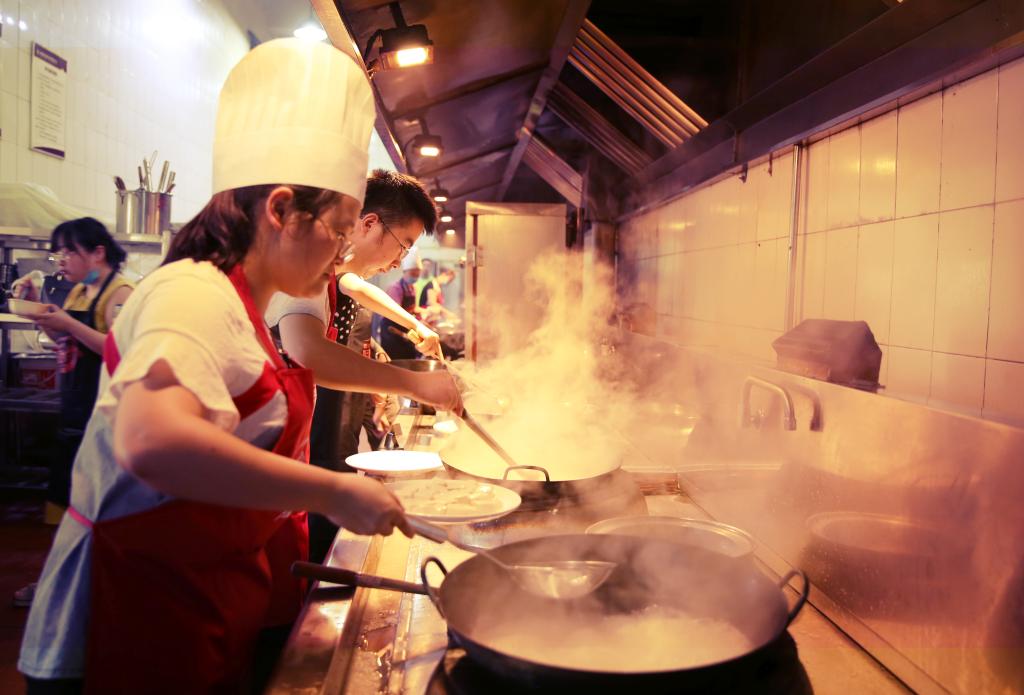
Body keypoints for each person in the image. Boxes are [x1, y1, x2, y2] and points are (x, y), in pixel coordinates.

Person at [18, 38, 461, 694]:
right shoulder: (191, 294)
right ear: (281, 210)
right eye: (340, 228)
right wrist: (332, 490)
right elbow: (151, 441)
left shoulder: (244, 302)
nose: (343, 252)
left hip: (198, 596)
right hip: (125, 611)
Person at [266, 168, 441, 564]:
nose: (397, 263)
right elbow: (307, 352)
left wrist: (408, 332)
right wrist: (412, 384)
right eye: (402, 246)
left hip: (279, 467)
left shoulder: (330, 273)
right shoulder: (304, 268)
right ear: (367, 224)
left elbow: (354, 288)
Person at [11, 218, 134, 608]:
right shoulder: (82, 288)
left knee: (96, 510)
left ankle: (93, 589)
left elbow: (121, 350)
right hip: (73, 411)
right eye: (58, 252)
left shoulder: (120, 293)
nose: (61, 259)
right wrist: (41, 312)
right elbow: (63, 338)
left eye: (68, 251)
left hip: (102, 418)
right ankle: (58, 582)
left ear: (97, 252)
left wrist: (66, 322)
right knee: (64, 506)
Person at [379, 252, 425, 360]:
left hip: (405, 329)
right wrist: (415, 325)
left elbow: (413, 308)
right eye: (413, 274)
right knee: (395, 360)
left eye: (417, 275)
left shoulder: (413, 288)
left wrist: (421, 320)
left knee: (408, 358)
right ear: (405, 272)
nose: (415, 277)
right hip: (392, 330)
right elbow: (394, 314)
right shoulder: (395, 288)